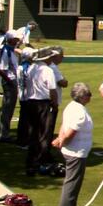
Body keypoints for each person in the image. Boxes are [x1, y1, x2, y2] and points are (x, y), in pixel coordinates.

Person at [52, 83, 94, 206]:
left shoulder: (71, 107)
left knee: (72, 182)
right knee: (72, 184)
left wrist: (59, 139)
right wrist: (62, 141)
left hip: (74, 150)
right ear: (82, 97)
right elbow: (71, 131)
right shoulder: (80, 112)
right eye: (89, 94)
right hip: (76, 152)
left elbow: (64, 126)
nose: (90, 97)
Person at [23, 48, 59, 176]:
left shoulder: (32, 68)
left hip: (31, 102)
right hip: (43, 103)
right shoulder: (48, 70)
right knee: (44, 133)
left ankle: (31, 162)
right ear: (47, 58)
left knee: (34, 133)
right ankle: (41, 162)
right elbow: (52, 90)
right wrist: (54, 104)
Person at [0, 32, 22, 142]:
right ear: (10, 40)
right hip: (10, 81)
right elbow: (3, 69)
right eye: (15, 39)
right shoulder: (6, 51)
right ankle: (3, 134)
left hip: (11, 80)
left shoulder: (10, 50)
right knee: (7, 108)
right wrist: (9, 82)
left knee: (7, 108)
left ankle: (0, 133)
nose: (17, 41)